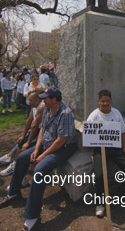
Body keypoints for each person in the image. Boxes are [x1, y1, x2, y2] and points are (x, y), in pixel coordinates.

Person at [0, 87, 76, 231]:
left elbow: (61, 140)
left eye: (46, 98)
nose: (43, 100)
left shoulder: (65, 113)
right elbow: (42, 130)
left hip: (62, 147)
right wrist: (35, 150)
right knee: (22, 157)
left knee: (39, 170)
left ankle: (32, 217)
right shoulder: (47, 109)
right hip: (47, 144)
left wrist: (43, 155)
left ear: (54, 99)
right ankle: (14, 192)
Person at [87, 89, 125, 218]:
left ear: (111, 101)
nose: (105, 103)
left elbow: (123, 132)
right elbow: (88, 134)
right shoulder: (94, 116)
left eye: (107, 101)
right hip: (99, 150)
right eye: (103, 101)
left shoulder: (116, 113)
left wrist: (124, 147)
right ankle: (100, 204)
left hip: (116, 149)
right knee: (99, 176)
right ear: (99, 101)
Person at [0, 92, 45, 177]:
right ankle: (13, 161)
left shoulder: (41, 107)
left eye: (31, 100)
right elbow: (29, 121)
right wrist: (23, 136)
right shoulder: (34, 107)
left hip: (41, 131)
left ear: (37, 100)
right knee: (21, 142)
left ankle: (16, 166)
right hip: (35, 130)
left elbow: (35, 126)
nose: (29, 102)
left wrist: (28, 141)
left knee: (25, 147)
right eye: (28, 100)